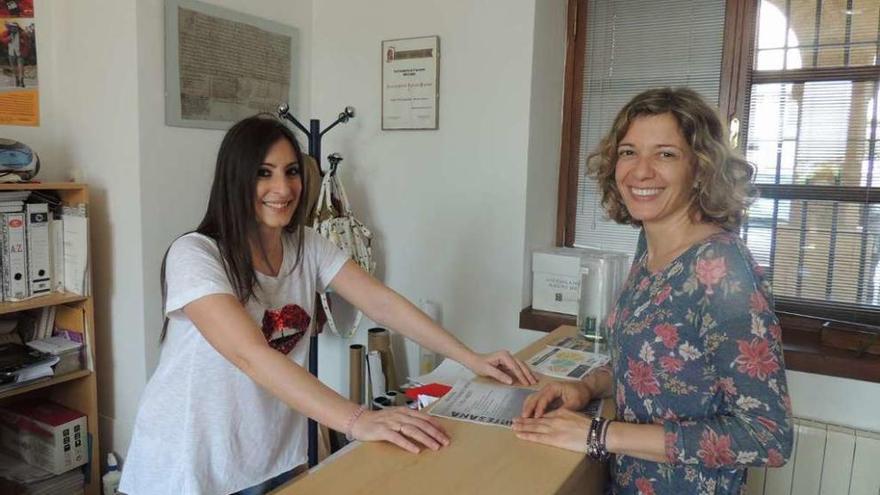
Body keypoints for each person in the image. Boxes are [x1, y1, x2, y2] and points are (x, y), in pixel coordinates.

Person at [119, 115, 537, 495]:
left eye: (292, 172)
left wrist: (471, 359)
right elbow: (251, 356)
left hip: (271, 458)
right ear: (235, 180)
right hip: (189, 465)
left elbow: (380, 302)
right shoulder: (195, 254)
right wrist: (358, 421)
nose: (282, 189)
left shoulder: (305, 245)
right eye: (263, 174)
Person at [513, 88, 793, 494]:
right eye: (628, 153)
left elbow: (767, 437)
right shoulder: (650, 249)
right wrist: (586, 387)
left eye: (665, 154)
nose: (640, 171)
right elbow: (653, 367)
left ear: (700, 168)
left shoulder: (722, 269)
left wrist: (600, 434)